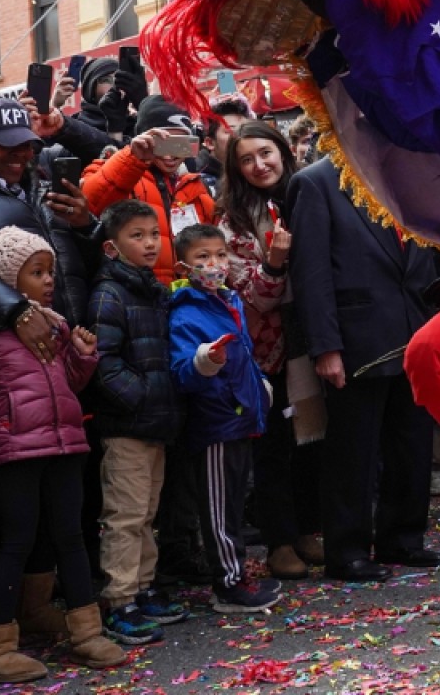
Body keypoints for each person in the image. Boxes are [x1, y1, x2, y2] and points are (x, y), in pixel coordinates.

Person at [0, 95, 97, 670]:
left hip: (55, 360)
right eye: (7, 148)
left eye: (28, 146)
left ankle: (30, 607)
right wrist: (11, 311)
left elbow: (67, 260)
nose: (21, 156)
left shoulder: (35, 187)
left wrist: (87, 225)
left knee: (46, 506)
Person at [0, 227, 124, 682]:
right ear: (6, 279)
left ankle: (87, 632)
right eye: (37, 272)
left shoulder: (56, 324)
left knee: (70, 536)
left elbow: (69, 382)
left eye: (50, 271)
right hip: (14, 450)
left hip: (64, 443)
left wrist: (83, 357)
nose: (49, 280)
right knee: (17, 539)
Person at [288, 155, 440, 580]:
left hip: (415, 331)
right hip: (356, 338)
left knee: (410, 444)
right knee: (353, 452)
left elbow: (427, 254)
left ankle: (402, 538)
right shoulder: (315, 182)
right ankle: (347, 550)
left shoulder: (404, 173)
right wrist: (325, 346)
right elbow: (311, 272)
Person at [218, 123, 323, 580]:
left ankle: (308, 531)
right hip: (265, 350)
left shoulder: (310, 193)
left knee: (313, 442)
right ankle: (279, 541)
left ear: (283, 151)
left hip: (314, 337)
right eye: (247, 159)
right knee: (275, 449)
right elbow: (254, 296)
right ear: (236, 169)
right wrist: (275, 262)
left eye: (266, 153)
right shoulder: (233, 222)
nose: (259, 165)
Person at [88, 201, 188, 645]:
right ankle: (119, 600)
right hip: (128, 425)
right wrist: (142, 398)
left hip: (154, 423)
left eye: (154, 234)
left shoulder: (152, 288)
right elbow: (102, 362)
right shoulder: (109, 293)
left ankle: (143, 588)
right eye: (137, 236)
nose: (149, 243)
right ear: (112, 247)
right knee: (125, 516)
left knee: (146, 513)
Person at [168, 224, 281, 613]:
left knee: (233, 502)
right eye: (203, 258)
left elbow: (243, 357)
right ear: (185, 265)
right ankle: (228, 585)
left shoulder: (229, 301)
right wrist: (205, 361)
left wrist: (259, 388)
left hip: (240, 417)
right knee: (218, 508)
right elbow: (184, 369)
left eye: (219, 255)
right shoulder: (185, 312)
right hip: (215, 422)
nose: (214, 264)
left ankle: (236, 571)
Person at [82, 97, 217, 286]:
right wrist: (133, 157)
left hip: (191, 303)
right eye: (162, 144)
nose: (170, 155)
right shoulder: (120, 170)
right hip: (138, 298)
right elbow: (90, 202)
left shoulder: (196, 187)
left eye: (179, 144)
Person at [197, 95, 255, 198]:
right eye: (231, 131)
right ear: (210, 143)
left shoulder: (258, 175)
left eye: (245, 129)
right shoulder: (200, 186)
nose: (241, 136)